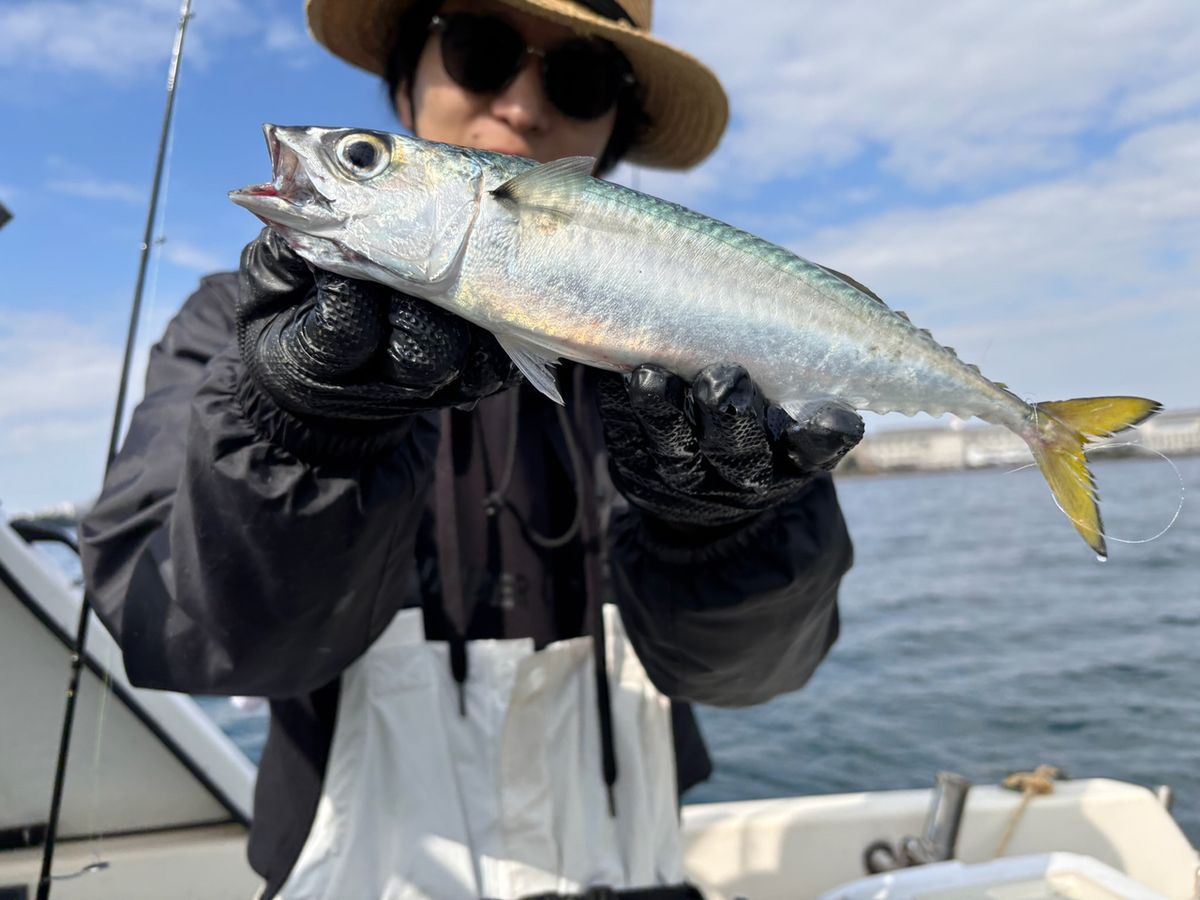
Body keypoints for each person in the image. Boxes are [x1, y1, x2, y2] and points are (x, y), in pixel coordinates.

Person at [80, 0, 863, 897]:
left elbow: (763, 669)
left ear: (616, 127)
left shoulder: (700, 353)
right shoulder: (239, 326)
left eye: (582, 79)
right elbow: (185, 632)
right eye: (482, 51)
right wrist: (297, 429)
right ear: (406, 76)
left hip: (636, 867)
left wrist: (727, 533)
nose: (525, 108)